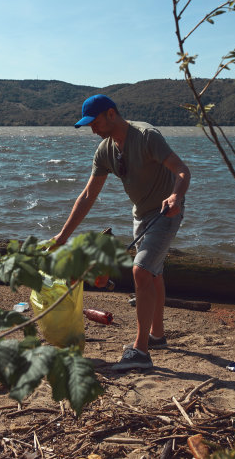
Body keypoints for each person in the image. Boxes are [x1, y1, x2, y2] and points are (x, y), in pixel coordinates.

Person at [53, 94, 190, 371]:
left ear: (111, 114)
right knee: (154, 273)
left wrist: (176, 197)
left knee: (141, 271)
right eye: (88, 124)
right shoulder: (105, 151)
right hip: (140, 215)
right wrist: (63, 236)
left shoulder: (147, 136)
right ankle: (157, 336)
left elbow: (182, 171)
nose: (92, 129)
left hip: (166, 213)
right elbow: (89, 194)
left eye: (95, 122)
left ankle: (140, 351)